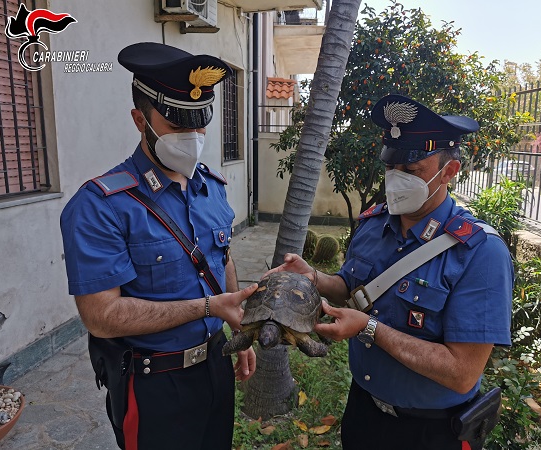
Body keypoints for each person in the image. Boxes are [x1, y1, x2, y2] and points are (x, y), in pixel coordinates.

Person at [269, 94, 513, 450]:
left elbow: (462, 373)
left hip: (430, 432)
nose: (396, 180)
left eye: (411, 172)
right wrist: (316, 279)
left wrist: (369, 329)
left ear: (449, 171)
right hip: (364, 412)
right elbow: (351, 289)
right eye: (391, 168)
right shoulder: (373, 225)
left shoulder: (480, 252)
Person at [60, 42, 257, 450]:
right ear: (139, 120)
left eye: (200, 121)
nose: (193, 136)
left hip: (216, 368)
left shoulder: (211, 188)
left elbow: (224, 258)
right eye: (178, 124)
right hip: (154, 386)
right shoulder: (101, 206)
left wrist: (237, 331)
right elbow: (102, 316)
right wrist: (208, 308)